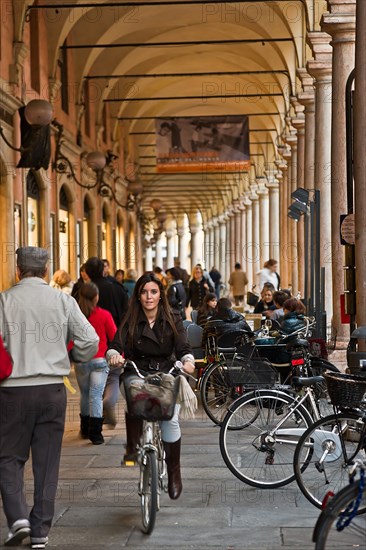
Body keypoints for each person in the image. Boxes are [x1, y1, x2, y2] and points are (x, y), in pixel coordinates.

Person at [0, 247, 99, 549]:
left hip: (12, 391)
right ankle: (41, 531)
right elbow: (91, 340)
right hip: (52, 390)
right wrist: (73, 358)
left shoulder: (4, 301)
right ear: (45, 271)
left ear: (18, 270)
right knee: (46, 462)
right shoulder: (63, 300)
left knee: (8, 457)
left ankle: (17, 518)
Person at [106, 273, 195, 500]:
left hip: (166, 372)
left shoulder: (173, 317)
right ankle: (133, 446)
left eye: (153, 292)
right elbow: (115, 344)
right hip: (136, 370)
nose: (149, 297)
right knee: (134, 395)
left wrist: (188, 361)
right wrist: (114, 355)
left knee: (170, 419)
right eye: (144, 292)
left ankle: (174, 471)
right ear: (138, 294)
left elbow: (183, 346)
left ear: (160, 295)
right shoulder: (130, 317)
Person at [84, 257, 129, 427]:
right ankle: (107, 403)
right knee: (113, 377)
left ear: (86, 272)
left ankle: (92, 415)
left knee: (89, 387)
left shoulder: (82, 291)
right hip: (113, 340)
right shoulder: (115, 288)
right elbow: (126, 313)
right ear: (104, 270)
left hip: (87, 348)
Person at [74, 282, 117, 445]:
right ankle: (96, 433)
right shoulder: (104, 315)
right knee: (96, 396)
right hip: (100, 360)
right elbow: (114, 336)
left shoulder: (76, 317)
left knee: (85, 395)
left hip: (82, 361)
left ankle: (84, 428)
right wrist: (120, 355)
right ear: (96, 297)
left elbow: (70, 339)